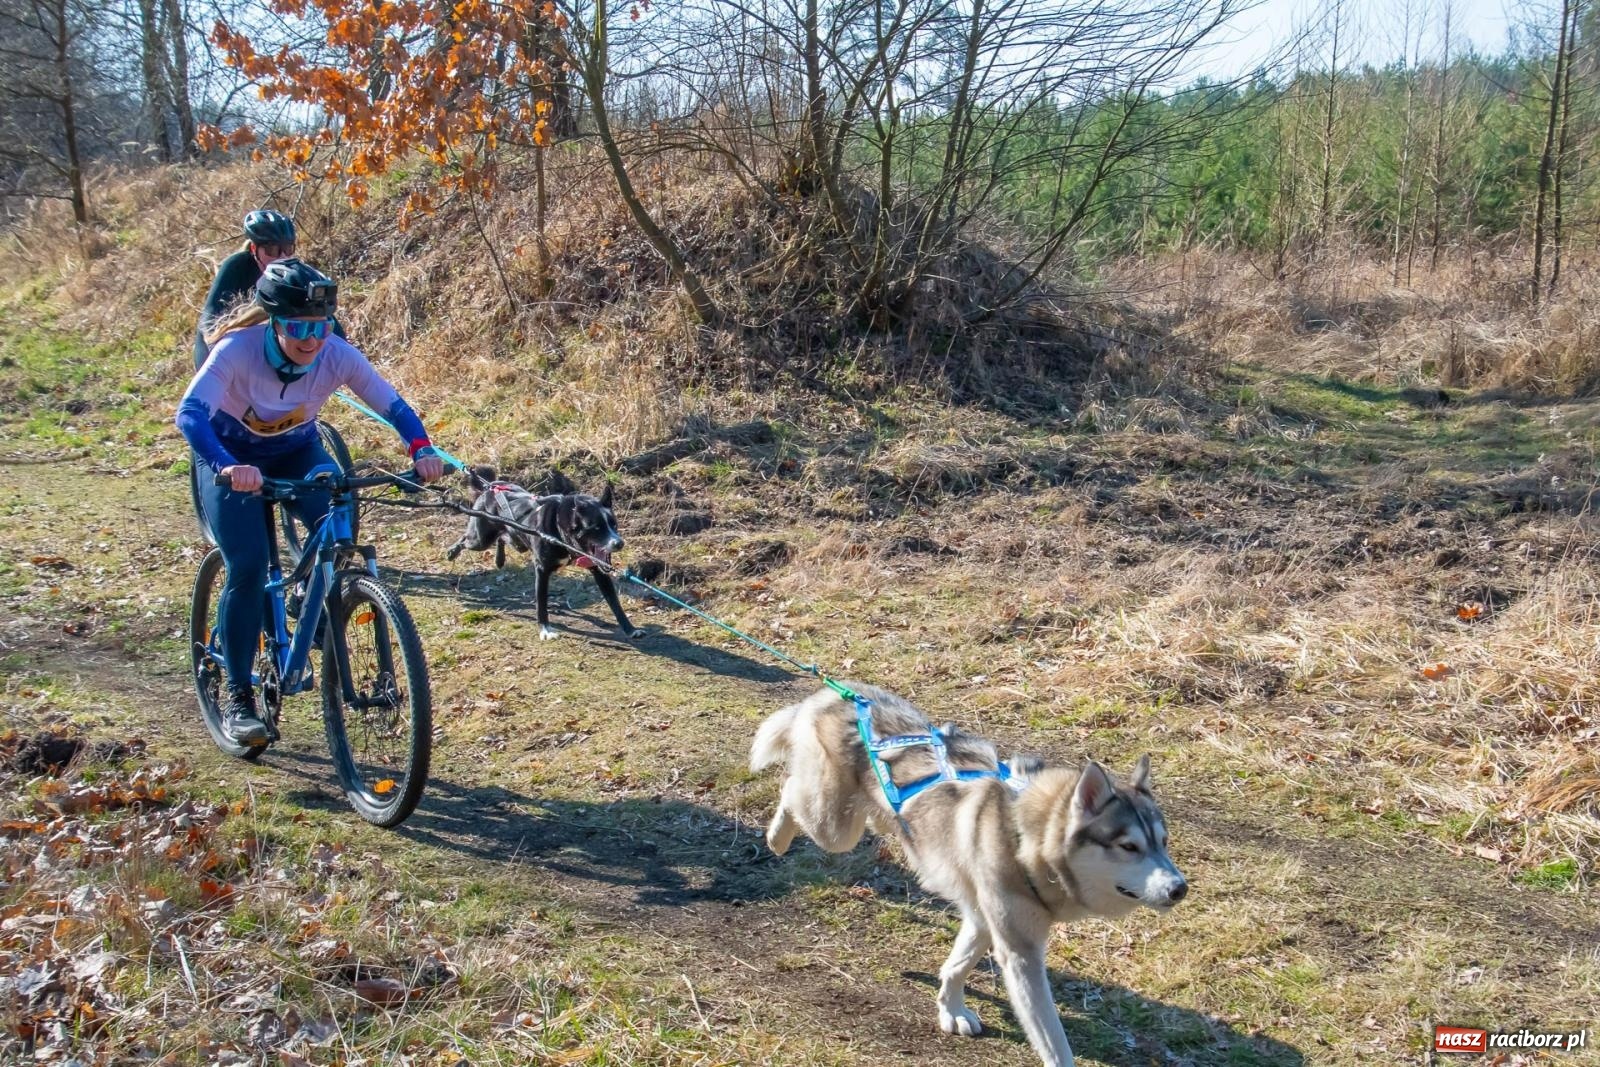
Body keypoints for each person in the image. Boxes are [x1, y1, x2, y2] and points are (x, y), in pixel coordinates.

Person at [177, 259, 445, 745]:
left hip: (295, 451)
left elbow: (392, 405)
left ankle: (309, 596)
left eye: (320, 327)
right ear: (275, 322)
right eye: (299, 327)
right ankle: (238, 697)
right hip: (229, 457)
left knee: (336, 523)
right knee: (249, 565)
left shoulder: (335, 354)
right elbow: (191, 414)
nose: (312, 339)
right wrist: (226, 466)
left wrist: (421, 448)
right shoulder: (237, 350)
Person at [192, 210, 345, 368]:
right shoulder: (236, 266)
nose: (282, 257)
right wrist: (215, 362)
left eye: (288, 249)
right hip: (233, 339)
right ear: (254, 249)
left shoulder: (294, 274)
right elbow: (209, 320)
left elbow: (325, 318)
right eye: (272, 250)